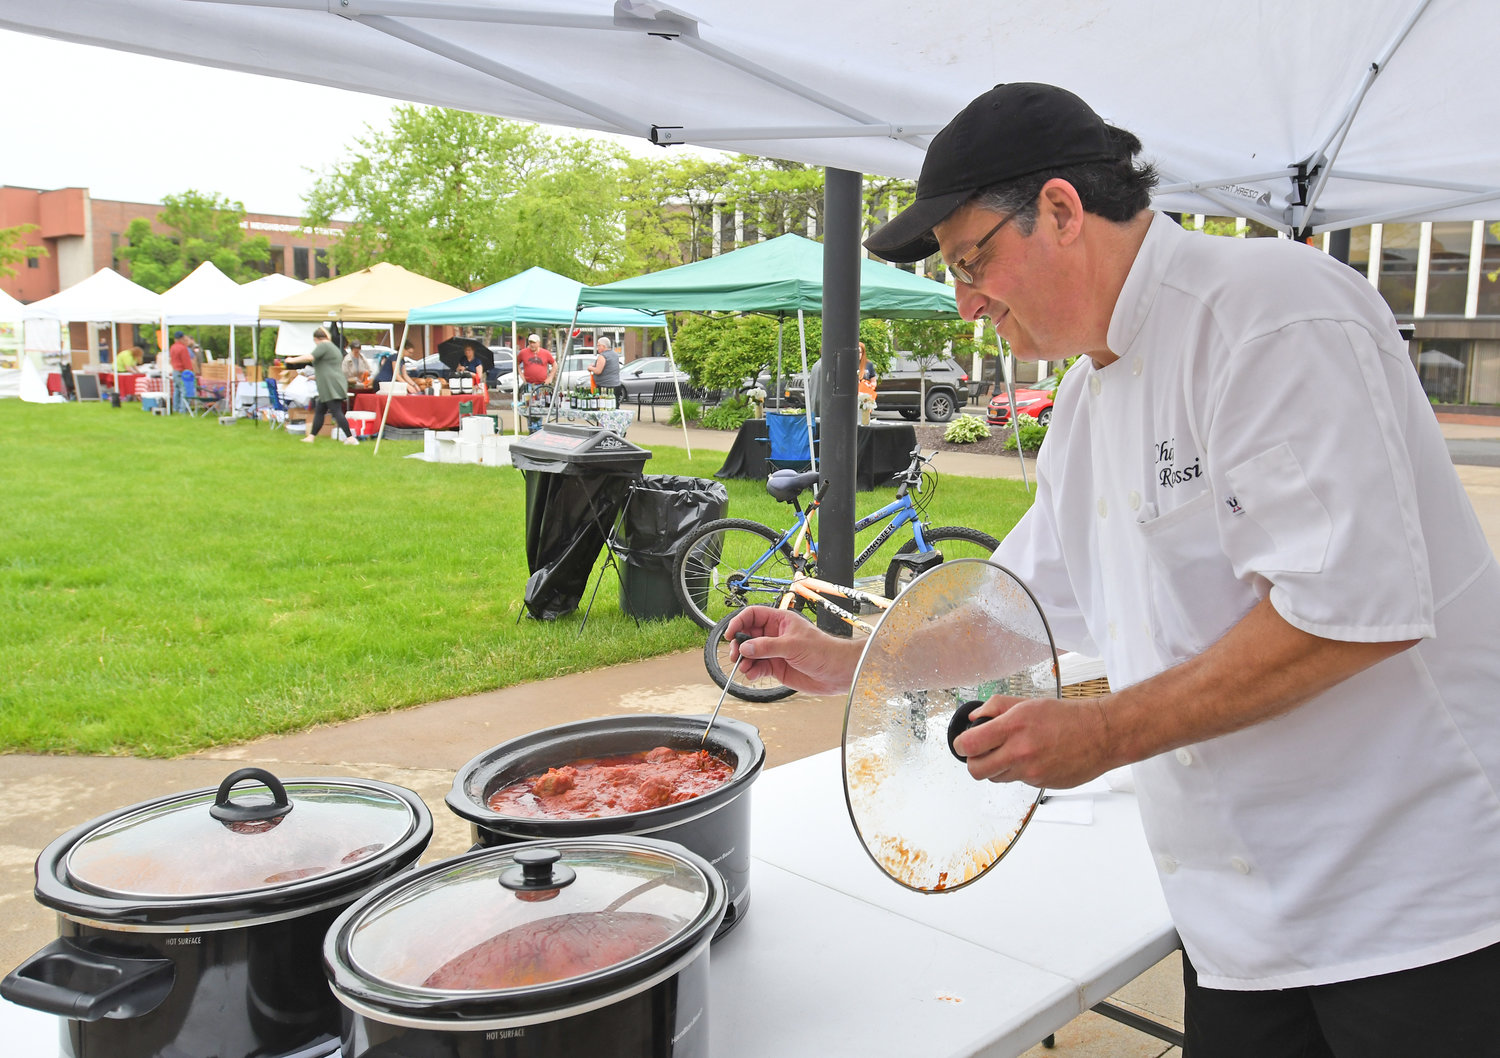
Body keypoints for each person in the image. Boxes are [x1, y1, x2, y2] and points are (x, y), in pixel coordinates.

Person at [726, 82, 1500, 1057]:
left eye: (974, 261)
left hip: (1415, 912)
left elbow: (1347, 614)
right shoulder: (1088, 404)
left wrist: (1105, 730)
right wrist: (855, 659)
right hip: (1238, 926)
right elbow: (1024, 608)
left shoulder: (1268, 312)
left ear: (1060, 209)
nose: (967, 302)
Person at [284, 326, 358, 445]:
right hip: (330, 384)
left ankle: (350, 438)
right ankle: (311, 437)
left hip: (331, 386)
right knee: (320, 410)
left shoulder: (324, 346)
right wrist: (315, 376)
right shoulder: (331, 347)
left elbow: (310, 357)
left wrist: (292, 360)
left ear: (317, 339)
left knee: (336, 411)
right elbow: (328, 366)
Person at [588, 336, 624, 403]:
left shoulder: (602, 356)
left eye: (598, 345)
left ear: (603, 346)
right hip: (616, 385)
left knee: (604, 407)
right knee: (614, 407)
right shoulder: (615, 355)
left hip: (605, 387)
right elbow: (608, 366)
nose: (597, 348)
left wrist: (590, 368)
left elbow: (598, 371)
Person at [168, 330, 195, 414]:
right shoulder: (183, 348)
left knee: (176, 390)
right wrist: (190, 370)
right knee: (184, 390)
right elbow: (186, 361)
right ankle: (183, 409)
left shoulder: (172, 347)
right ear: (182, 338)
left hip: (175, 370)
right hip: (182, 371)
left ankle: (176, 407)